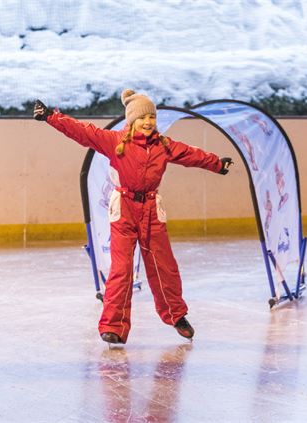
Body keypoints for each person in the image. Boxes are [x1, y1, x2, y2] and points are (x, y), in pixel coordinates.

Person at [34, 89, 233, 344]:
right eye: (142, 118)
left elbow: (189, 154)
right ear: (132, 120)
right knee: (122, 269)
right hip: (124, 210)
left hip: (151, 210)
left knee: (164, 267)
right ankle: (113, 327)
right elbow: (83, 132)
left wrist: (217, 164)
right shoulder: (115, 141)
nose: (148, 122)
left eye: (151, 117)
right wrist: (52, 116)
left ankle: (176, 315)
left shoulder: (164, 145)